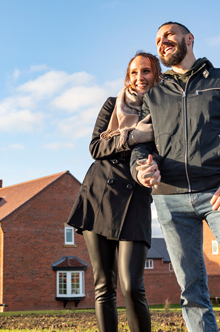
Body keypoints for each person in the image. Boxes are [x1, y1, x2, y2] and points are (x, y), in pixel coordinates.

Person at [131, 22, 220, 331]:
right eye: (157, 39)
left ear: (189, 39)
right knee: (191, 287)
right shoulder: (154, 93)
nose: (162, 42)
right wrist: (142, 167)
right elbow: (141, 144)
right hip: (170, 199)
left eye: (168, 35)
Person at [67, 51, 161, 332]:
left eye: (145, 71)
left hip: (136, 197)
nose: (139, 77)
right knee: (103, 285)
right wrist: (132, 137)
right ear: (127, 77)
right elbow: (96, 147)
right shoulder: (112, 104)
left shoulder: (165, 108)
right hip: (99, 194)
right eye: (134, 72)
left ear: (156, 74)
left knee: (132, 286)